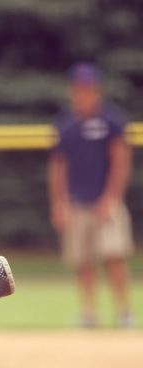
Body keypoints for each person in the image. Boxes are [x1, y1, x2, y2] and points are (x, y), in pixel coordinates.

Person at [48, 62, 134, 328]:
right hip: (76, 204)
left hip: (105, 203)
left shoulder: (111, 120)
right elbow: (58, 167)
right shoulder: (66, 123)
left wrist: (111, 198)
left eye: (88, 88)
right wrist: (59, 203)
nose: (83, 93)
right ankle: (89, 313)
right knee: (82, 261)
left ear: (97, 90)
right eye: (78, 88)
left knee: (113, 256)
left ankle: (124, 312)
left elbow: (121, 161)